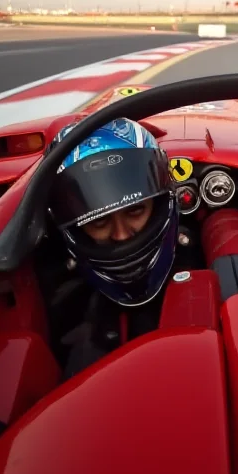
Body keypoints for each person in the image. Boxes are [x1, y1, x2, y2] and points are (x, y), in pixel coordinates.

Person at [47, 116, 179, 375]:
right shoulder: (65, 315)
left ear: (160, 202)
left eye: (135, 210)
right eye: (98, 221)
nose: (121, 236)